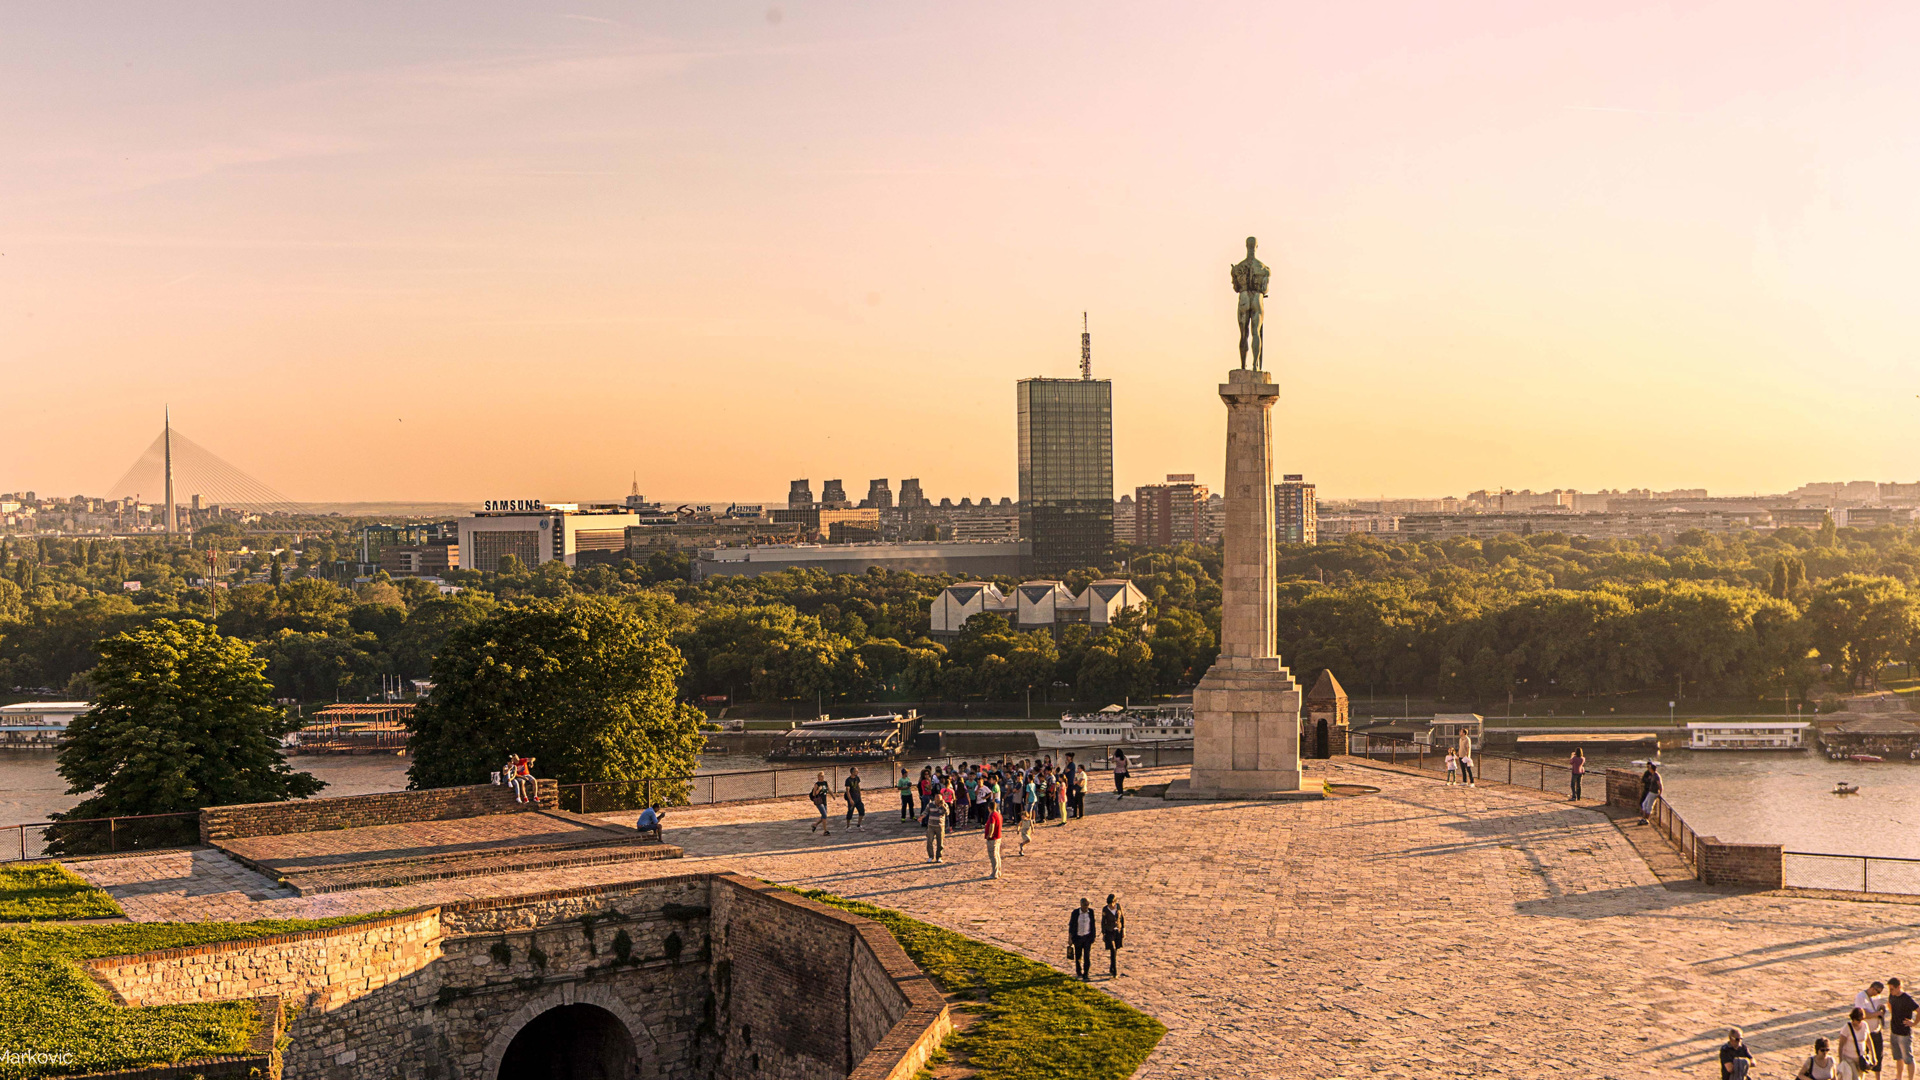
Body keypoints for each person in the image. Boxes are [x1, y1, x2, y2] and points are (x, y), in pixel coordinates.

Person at [1888, 977, 1917, 1080]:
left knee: (1908, 1059)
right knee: (1898, 1057)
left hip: (1904, 1033)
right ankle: (1898, 1077)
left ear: (1898, 987)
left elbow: (1919, 1010)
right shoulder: (1892, 996)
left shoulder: (1907, 999)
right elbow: (1889, 1004)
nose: (1890, 991)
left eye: (1892, 989)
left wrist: (1914, 1023)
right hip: (1894, 1031)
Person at [1860, 982, 1889, 1077]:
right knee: (1863, 1057)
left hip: (1876, 1030)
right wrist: (1876, 1014)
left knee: (1878, 1057)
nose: (1878, 994)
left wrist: (1882, 1010)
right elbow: (1862, 1015)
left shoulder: (1876, 997)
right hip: (1865, 1031)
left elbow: (1878, 1008)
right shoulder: (1861, 997)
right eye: (1878, 991)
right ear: (1872, 988)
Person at [1845, 1007, 1880, 1080]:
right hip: (1849, 1058)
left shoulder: (1864, 1025)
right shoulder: (1847, 1027)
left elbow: (1868, 1040)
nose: (1860, 1022)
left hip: (1861, 1058)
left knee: (1861, 1078)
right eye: (1858, 1020)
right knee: (1856, 1078)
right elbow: (1841, 1045)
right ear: (1853, 1018)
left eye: (1861, 1020)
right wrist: (1841, 1061)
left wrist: (1873, 1055)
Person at [1068, 898, 1097, 981]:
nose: (1086, 907)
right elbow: (1071, 926)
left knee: (1087, 956)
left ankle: (1086, 974)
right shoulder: (1075, 913)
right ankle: (1079, 971)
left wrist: (1093, 936)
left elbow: (1093, 924)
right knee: (1078, 955)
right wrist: (1070, 938)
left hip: (1087, 937)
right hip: (1078, 937)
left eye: (1087, 905)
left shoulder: (1091, 912)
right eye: (1085, 905)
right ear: (1081, 905)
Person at [1101, 894, 1126, 977]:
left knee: (1115, 950)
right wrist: (1103, 933)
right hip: (1109, 931)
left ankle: (1111, 967)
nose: (1110, 906)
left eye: (1112, 904)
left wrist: (1123, 929)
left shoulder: (1118, 907)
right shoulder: (1105, 909)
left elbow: (1122, 918)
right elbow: (1103, 922)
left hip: (1117, 931)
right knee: (1113, 949)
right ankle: (1115, 971)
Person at [923, 786, 948, 863]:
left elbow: (947, 813)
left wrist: (943, 805)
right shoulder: (930, 805)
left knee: (940, 842)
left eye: (939, 800)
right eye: (936, 800)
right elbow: (926, 812)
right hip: (931, 826)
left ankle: (939, 857)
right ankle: (930, 856)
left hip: (940, 826)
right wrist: (921, 817)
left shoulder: (944, 805)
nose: (937, 801)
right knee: (929, 841)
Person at [983, 801, 1003, 879]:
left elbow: (992, 825)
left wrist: (990, 834)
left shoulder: (992, 816)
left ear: (989, 808)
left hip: (993, 838)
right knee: (997, 855)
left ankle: (994, 873)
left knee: (993, 856)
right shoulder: (998, 814)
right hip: (998, 837)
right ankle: (999, 871)